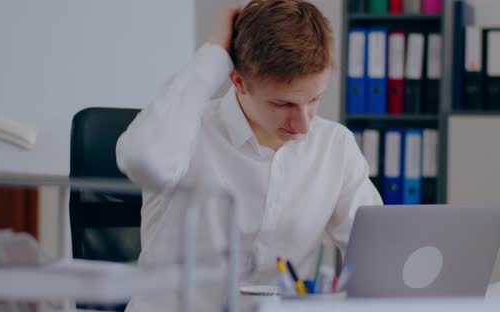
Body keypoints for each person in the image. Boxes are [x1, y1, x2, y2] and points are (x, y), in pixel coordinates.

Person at [117, 0, 382, 310]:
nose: (304, 124)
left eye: (314, 100)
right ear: (238, 81)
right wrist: (216, 53)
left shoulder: (335, 146)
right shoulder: (187, 132)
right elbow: (141, 158)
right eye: (283, 105)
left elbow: (378, 255)